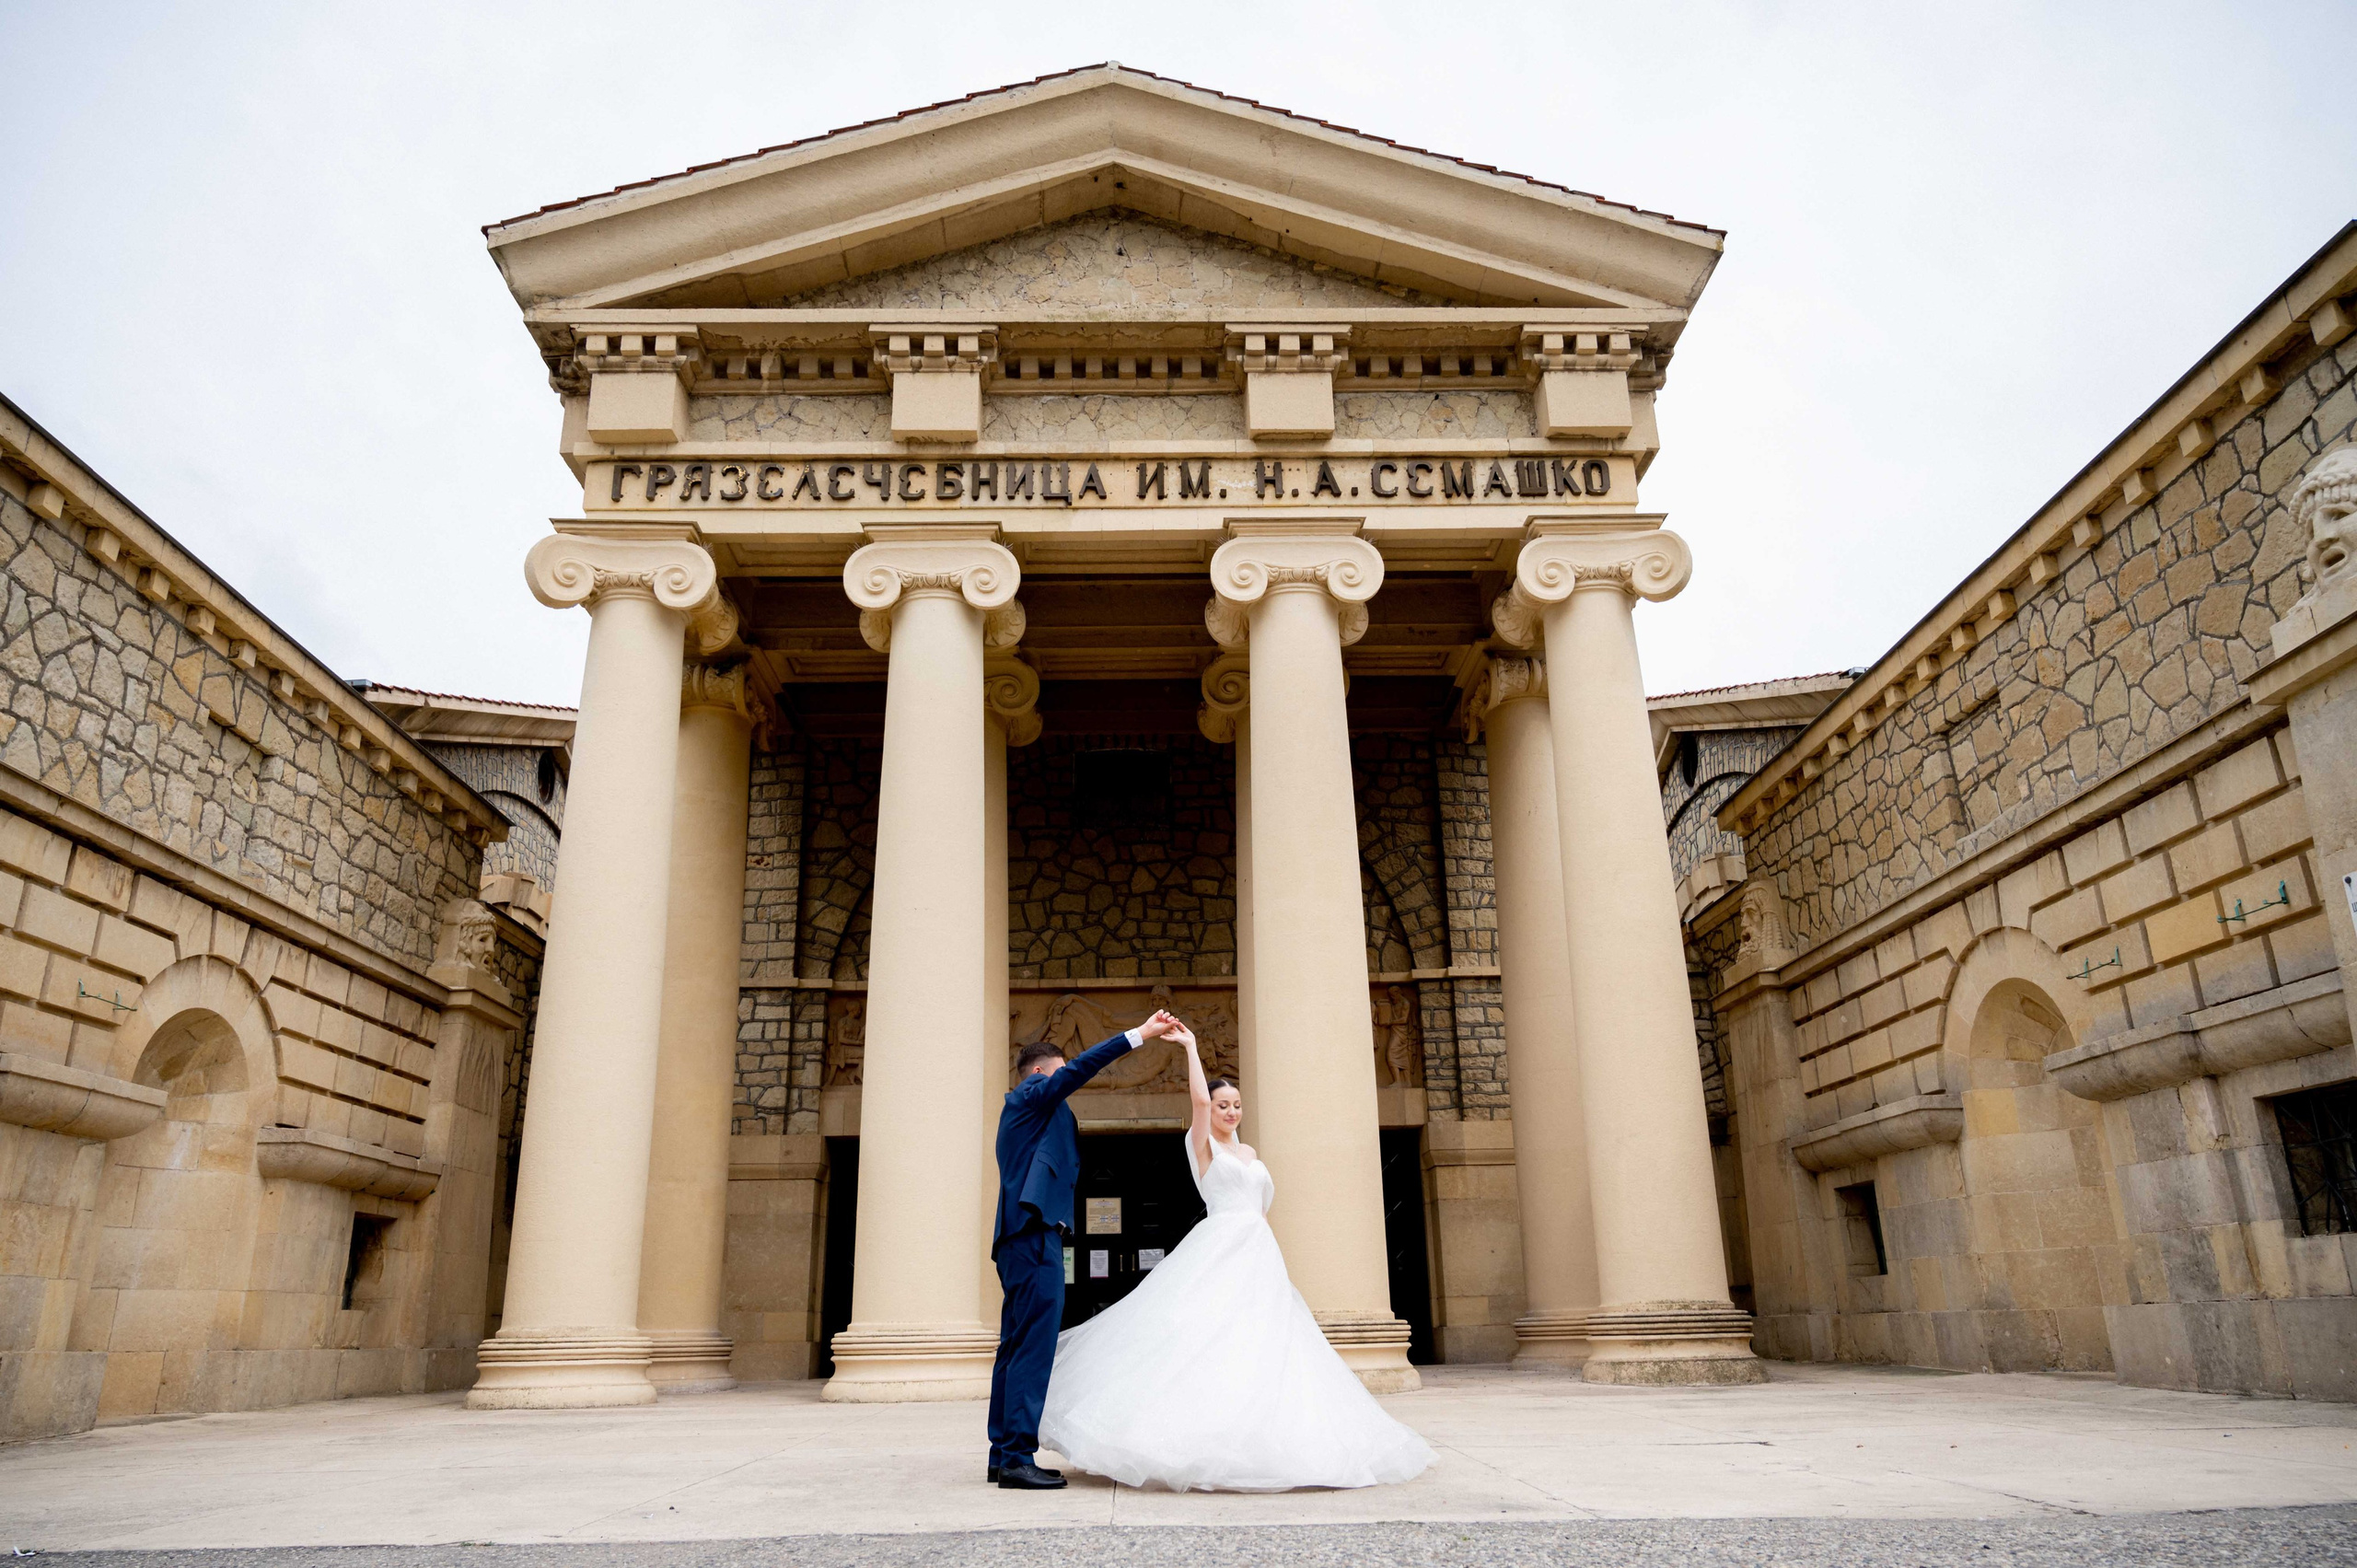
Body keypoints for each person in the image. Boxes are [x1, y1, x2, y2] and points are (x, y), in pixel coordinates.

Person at [1037, 1020, 1435, 1492]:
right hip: (1220, 1245)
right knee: (1204, 1334)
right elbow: (1199, 1102)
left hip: (1258, 1252)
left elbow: (1263, 1210)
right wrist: (1189, 1046)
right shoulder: (1201, 1147)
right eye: (1224, 1104)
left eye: (1236, 1105)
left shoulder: (1249, 1152)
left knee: (1265, 1341)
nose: (1230, 1110)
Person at [988, 1007, 1182, 1490]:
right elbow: (1077, 1071)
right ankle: (1016, 1456)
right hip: (1034, 1237)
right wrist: (1138, 1035)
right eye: (1058, 1073)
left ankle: (1002, 1453)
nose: (1064, 1083)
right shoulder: (1033, 1094)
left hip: (1018, 1238)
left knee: (1014, 1348)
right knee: (1032, 1349)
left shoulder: (1026, 1113)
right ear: (1038, 1073)